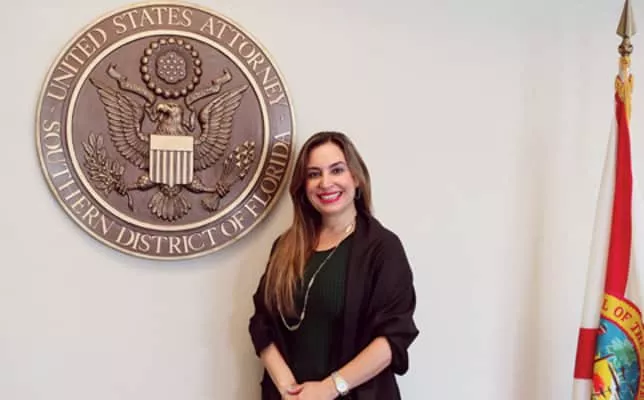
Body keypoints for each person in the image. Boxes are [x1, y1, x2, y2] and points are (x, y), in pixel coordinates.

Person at [248, 131, 418, 399]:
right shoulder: (285, 246)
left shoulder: (383, 248)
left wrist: (329, 388)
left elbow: (393, 336)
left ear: (356, 177)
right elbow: (262, 323)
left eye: (337, 170)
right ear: (303, 186)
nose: (325, 183)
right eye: (314, 174)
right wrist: (288, 388)